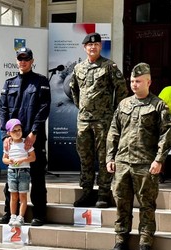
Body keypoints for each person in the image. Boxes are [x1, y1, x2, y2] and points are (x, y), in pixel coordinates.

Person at [107, 63, 171, 250]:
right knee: (121, 203)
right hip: (123, 164)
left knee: (146, 205)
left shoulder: (159, 105)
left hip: (146, 165)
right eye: (132, 81)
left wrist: (159, 160)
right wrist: (110, 157)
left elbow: (166, 135)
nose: (134, 85)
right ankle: (121, 240)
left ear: (148, 82)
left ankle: (145, 243)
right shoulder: (124, 104)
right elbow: (114, 131)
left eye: (138, 81)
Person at [69, 32, 129, 208]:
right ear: (84, 47)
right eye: (89, 45)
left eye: (96, 44)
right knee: (85, 158)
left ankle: (103, 193)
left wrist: (117, 113)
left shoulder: (109, 66)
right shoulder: (78, 68)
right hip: (84, 121)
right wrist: (83, 109)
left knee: (105, 157)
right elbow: (74, 90)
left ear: (100, 47)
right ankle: (87, 192)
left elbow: (122, 90)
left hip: (104, 121)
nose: (93, 47)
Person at [0, 47, 51, 226]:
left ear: (32, 60)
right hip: (13, 139)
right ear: (16, 61)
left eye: (26, 59)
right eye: (20, 59)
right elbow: (3, 109)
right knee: (12, 175)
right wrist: (6, 135)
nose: (23, 62)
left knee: (37, 176)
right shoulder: (9, 83)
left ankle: (39, 214)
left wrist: (34, 132)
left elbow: (44, 107)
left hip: (32, 138)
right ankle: (9, 212)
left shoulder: (41, 81)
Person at [2, 118, 36, 226]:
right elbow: (4, 159)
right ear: (8, 133)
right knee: (13, 195)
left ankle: (21, 217)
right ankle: (12, 216)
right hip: (12, 171)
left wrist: (22, 160)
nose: (18, 133)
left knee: (23, 195)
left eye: (19, 130)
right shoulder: (8, 144)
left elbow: (33, 157)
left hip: (24, 172)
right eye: (14, 131)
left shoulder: (26, 142)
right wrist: (9, 161)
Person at [158, 85, 171, 182]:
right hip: (156, 119)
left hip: (169, 122)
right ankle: (159, 172)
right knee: (160, 145)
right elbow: (158, 108)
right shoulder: (168, 91)